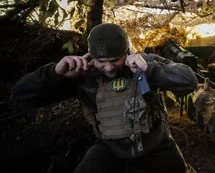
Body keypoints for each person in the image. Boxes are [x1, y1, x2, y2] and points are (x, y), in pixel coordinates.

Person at [11, 23, 198, 173]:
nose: (109, 68)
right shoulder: (82, 74)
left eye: (115, 60)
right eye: (102, 62)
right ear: (91, 56)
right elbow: (21, 96)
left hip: (157, 145)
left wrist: (151, 70)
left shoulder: (144, 62)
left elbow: (189, 81)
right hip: (110, 149)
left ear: (127, 52)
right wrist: (54, 74)